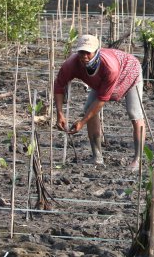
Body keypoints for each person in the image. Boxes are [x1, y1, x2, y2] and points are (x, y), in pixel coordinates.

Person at [54, 34, 145, 170]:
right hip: (101, 83)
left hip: (128, 72)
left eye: (88, 52)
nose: (84, 56)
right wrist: (59, 114)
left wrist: (82, 122)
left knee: (134, 113)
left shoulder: (109, 67)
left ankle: (137, 160)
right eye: (81, 52)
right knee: (88, 109)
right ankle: (97, 157)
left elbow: (102, 99)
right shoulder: (71, 64)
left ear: (97, 51)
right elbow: (59, 85)